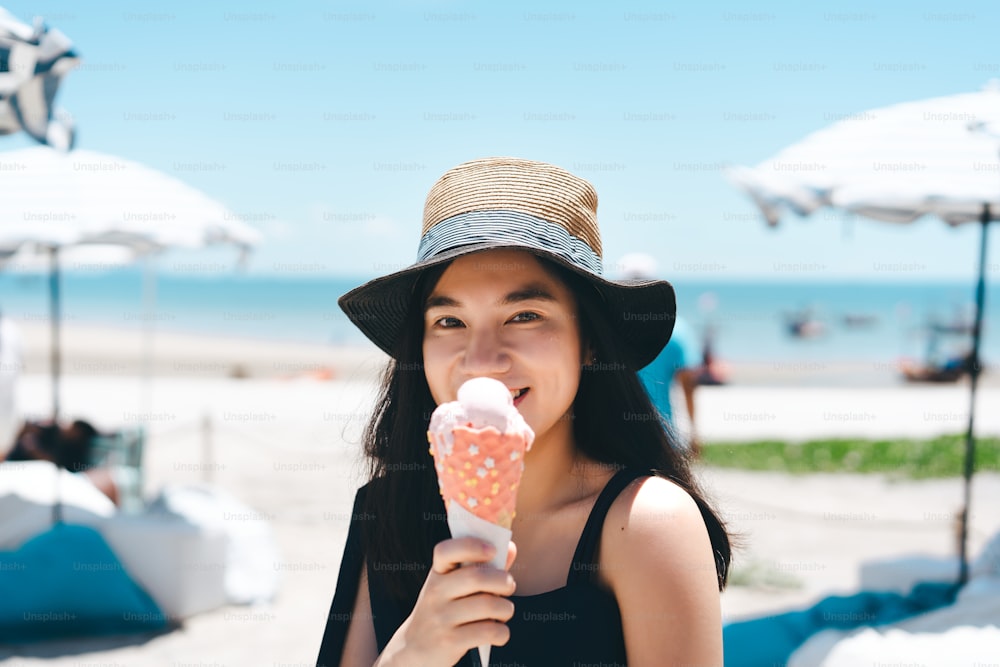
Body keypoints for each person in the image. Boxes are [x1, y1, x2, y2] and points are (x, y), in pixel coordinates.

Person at [317, 157, 731, 667]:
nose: (483, 361)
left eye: (525, 315)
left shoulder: (645, 525)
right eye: (449, 320)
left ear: (589, 343)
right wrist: (412, 653)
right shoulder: (387, 511)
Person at [619, 253, 703, 456]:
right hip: (663, 436)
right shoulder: (678, 330)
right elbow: (689, 385)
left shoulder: (610, 331)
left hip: (618, 436)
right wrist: (693, 433)